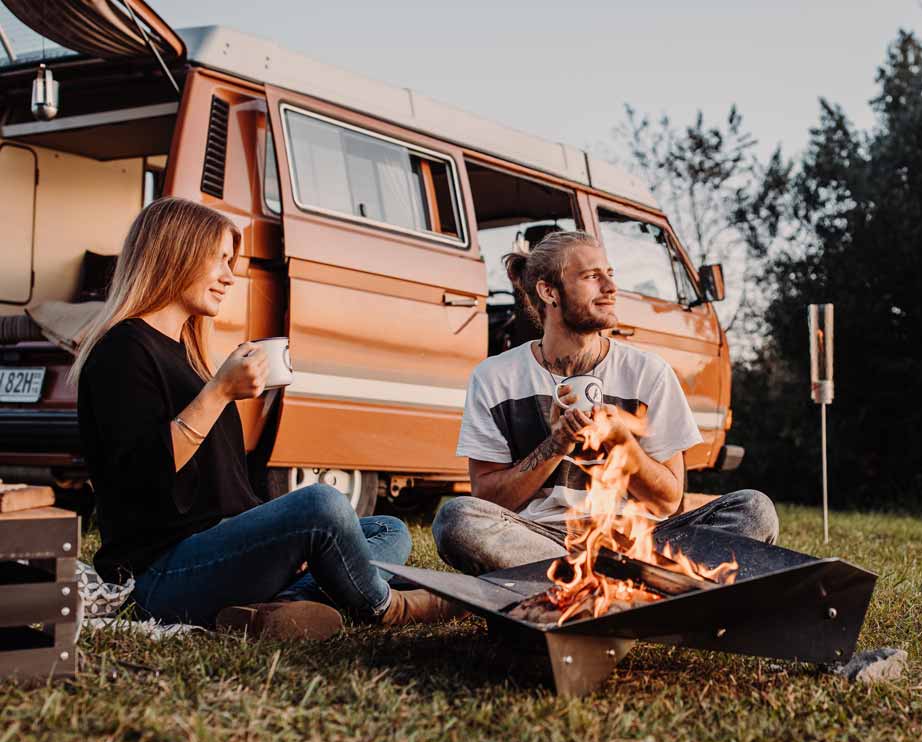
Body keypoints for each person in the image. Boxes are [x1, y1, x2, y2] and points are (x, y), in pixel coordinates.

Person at [72, 197, 456, 640]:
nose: (229, 277)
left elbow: (225, 493)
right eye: (219, 260)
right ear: (176, 253)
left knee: (387, 529)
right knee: (322, 505)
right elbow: (141, 476)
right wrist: (219, 392)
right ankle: (385, 606)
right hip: (160, 575)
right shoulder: (122, 350)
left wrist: (284, 538)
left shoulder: (189, 356)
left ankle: (276, 609)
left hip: (217, 551)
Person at [432, 230, 779, 576]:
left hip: (640, 541)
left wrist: (621, 444)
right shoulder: (495, 377)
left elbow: (669, 500)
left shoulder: (648, 373)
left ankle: (577, 582)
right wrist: (556, 444)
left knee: (754, 510)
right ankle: (622, 584)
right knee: (457, 519)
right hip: (543, 541)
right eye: (591, 277)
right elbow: (488, 499)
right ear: (548, 291)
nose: (611, 288)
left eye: (610, 275)